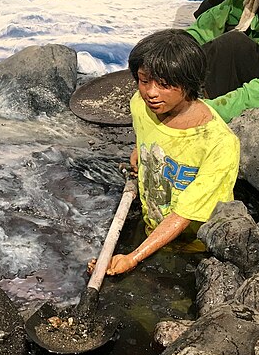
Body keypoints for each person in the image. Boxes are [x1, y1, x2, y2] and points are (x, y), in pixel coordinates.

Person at [96, 30, 239, 275]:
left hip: (198, 248)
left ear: (189, 83)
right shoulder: (140, 105)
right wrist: (140, 153)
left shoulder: (219, 143)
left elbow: (183, 216)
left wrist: (132, 257)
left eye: (164, 85)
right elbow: (147, 136)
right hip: (155, 228)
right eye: (143, 81)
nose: (151, 93)